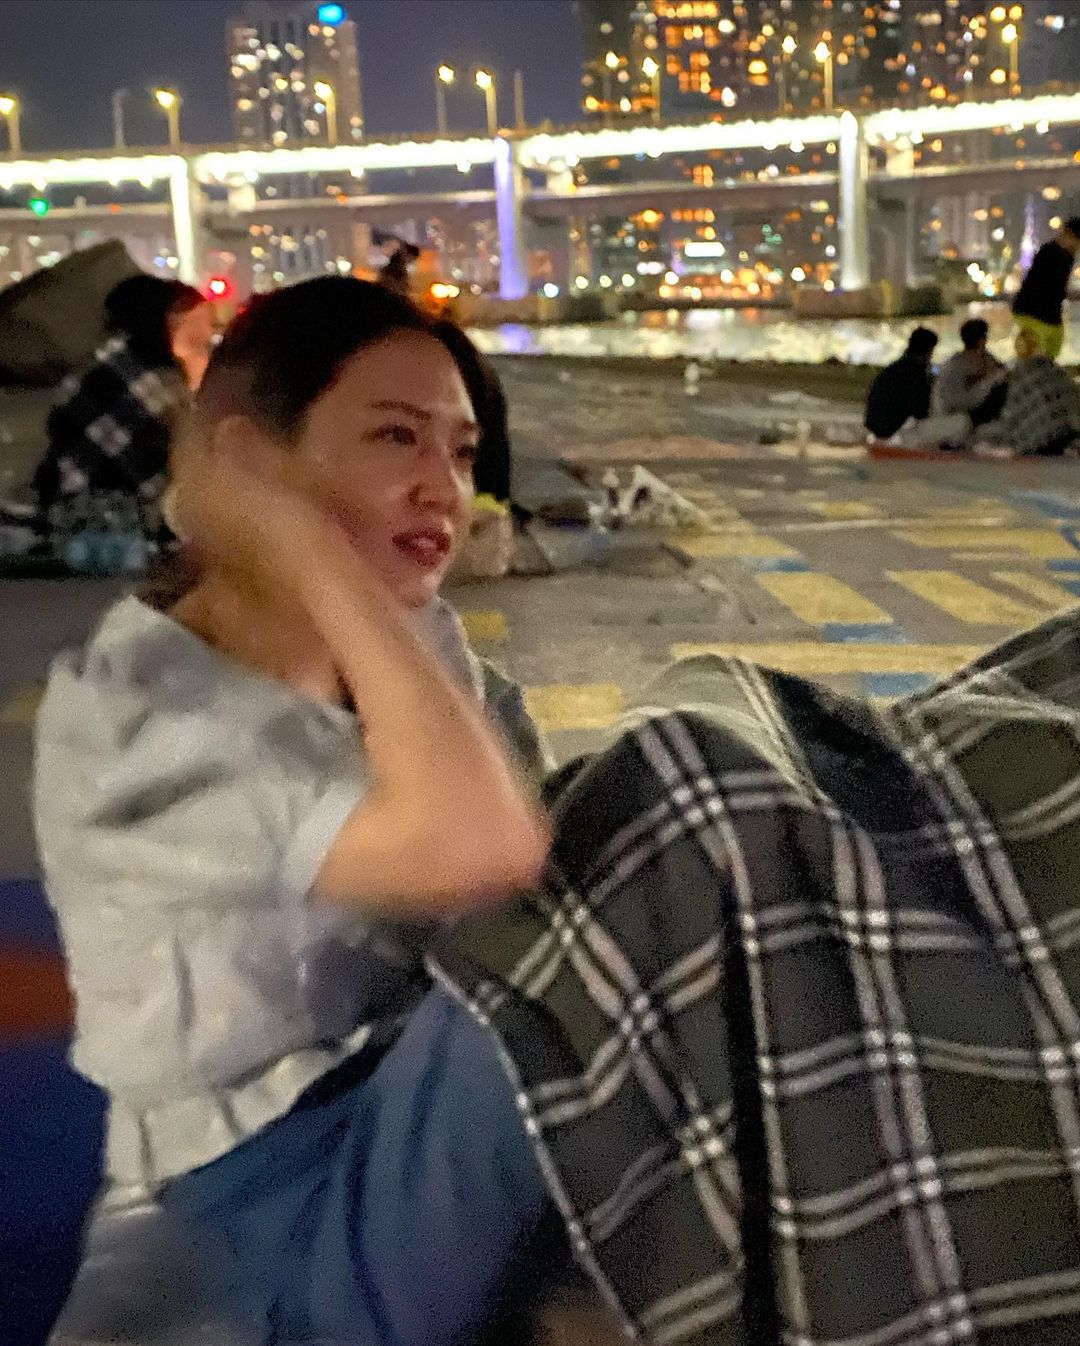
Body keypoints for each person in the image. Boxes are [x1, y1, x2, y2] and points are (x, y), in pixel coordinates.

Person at [37, 278, 554, 1346]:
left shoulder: (420, 660)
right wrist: (294, 538)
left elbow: (542, 886)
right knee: (683, 821)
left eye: (462, 452)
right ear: (252, 462)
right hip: (252, 1204)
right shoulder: (135, 720)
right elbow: (483, 847)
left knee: (681, 802)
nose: (445, 488)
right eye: (396, 437)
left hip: (408, 1116)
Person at [7, 275, 214, 539]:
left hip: (52, 520)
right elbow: (180, 496)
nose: (209, 341)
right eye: (201, 341)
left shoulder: (103, 364)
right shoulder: (157, 393)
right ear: (173, 322)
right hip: (102, 534)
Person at [988, 327, 1080, 456]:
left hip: (1039, 437)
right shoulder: (1053, 368)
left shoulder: (1018, 372)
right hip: (1071, 428)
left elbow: (1012, 412)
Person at [1012, 217, 1080, 360]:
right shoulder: (1052, 253)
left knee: (1051, 347)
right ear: (1069, 235)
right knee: (1037, 355)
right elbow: (1047, 287)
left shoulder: (1063, 254)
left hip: (1044, 314)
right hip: (1035, 314)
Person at [864, 326, 938, 441]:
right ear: (928, 351)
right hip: (896, 432)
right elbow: (921, 411)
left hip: (877, 428)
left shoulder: (893, 370)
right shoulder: (916, 375)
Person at [933, 316, 1007, 428]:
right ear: (982, 340)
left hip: (951, 419)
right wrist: (990, 378)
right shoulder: (958, 365)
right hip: (956, 421)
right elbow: (965, 401)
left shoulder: (956, 361)